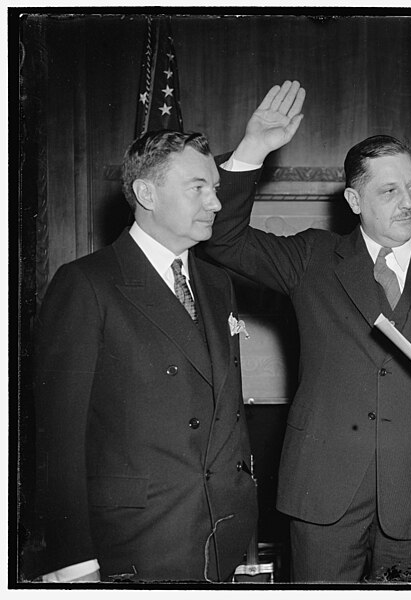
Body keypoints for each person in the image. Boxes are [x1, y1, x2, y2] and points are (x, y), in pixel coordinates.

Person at [205, 82, 411, 582]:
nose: (407, 203)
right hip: (323, 493)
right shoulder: (311, 259)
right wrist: (253, 149)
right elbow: (223, 239)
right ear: (354, 199)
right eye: (389, 190)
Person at [29, 94, 303, 583]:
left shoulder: (217, 285)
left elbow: (229, 424)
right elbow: (58, 441)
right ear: (148, 194)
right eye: (198, 187)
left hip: (224, 541)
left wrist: (249, 543)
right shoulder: (87, 284)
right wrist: (73, 563)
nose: (215, 202)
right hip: (134, 547)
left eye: (216, 188)